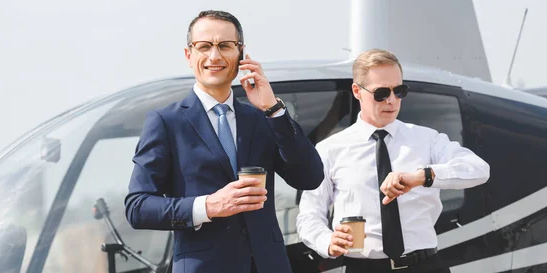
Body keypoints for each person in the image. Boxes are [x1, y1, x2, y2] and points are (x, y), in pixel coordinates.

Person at [124, 10, 324, 273]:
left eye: (225, 46)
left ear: (241, 54)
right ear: (189, 55)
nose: (214, 56)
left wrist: (274, 109)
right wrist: (208, 206)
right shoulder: (166, 122)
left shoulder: (263, 118)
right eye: (204, 46)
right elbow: (137, 207)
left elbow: (310, 178)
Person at [296, 49, 490, 273]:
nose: (392, 100)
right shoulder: (330, 149)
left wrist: (422, 177)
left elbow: (479, 169)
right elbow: (309, 215)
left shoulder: (426, 139)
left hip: (424, 266)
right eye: (381, 93)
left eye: (399, 91)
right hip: (363, 268)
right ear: (357, 91)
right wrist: (327, 242)